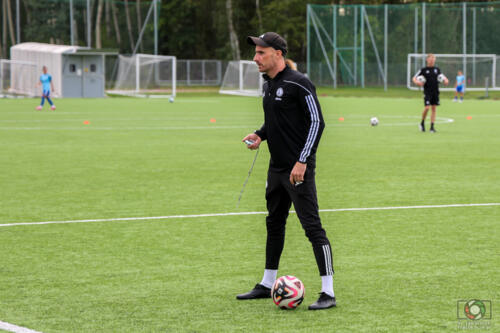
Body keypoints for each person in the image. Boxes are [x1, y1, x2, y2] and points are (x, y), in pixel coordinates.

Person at [237, 32, 336, 310]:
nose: (255, 58)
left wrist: (302, 161)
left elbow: (318, 123)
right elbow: (275, 121)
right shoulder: (268, 84)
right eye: (255, 53)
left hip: (298, 170)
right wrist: (259, 135)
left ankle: (328, 291)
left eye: (261, 53)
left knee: (312, 228)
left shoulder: (300, 83)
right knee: (274, 223)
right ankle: (267, 282)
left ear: (277, 54)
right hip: (276, 168)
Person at [412, 54, 448, 133]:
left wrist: (446, 81)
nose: (432, 60)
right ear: (427, 60)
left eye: (433, 59)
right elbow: (414, 78)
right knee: (427, 107)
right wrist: (417, 82)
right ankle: (422, 123)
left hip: (435, 91)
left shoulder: (437, 69)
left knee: (434, 109)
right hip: (427, 92)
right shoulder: (423, 70)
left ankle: (432, 127)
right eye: (430, 59)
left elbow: (444, 78)